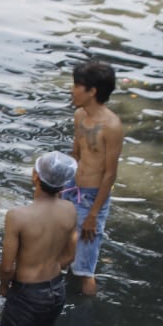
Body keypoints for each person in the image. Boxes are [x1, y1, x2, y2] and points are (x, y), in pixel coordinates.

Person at [0, 152, 78, 326]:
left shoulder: (18, 216)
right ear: (64, 183)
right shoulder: (70, 210)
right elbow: (70, 256)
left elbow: (7, 266)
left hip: (26, 296)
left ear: (35, 177)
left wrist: (4, 286)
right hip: (56, 291)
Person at [68, 60, 123, 296]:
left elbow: (110, 174)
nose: (72, 90)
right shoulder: (79, 115)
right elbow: (75, 154)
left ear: (92, 91)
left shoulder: (112, 126)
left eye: (77, 85)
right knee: (68, 252)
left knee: (86, 269)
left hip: (92, 198)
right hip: (73, 189)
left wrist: (93, 215)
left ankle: (85, 317)